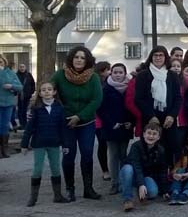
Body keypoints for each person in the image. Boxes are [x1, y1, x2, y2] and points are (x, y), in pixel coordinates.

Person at [50, 46, 103, 201]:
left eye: (83, 58)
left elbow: (97, 100)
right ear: (71, 59)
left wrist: (79, 116)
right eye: (76, 57)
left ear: (87, 61)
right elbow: (49, 91)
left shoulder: (93, 78)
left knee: (87, 155)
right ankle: (69, 189)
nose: (79, 60)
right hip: (67, 124)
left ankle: (88, 189)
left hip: (86, 123)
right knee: (68, 156)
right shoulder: (60, 75)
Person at [21, 82, 69, 206]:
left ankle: (57, 195)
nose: (46, 91)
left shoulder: (59, 108)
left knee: (56, 168)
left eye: (49, 89)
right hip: (39, 143)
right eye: (43, 90)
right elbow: (29, 128)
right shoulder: (36, 108)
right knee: (37, 169)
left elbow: (63, 128)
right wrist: (24, 145)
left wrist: (65, 145)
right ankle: (33, 198)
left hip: (54, 143)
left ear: (54, 92)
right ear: (40, 93)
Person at [135, 46, 183, 165]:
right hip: (150, 118)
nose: (158, 58)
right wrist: (151, 116)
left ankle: (167, 177)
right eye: (155, 55)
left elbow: (178, 98)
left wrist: (172, 116)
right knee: (150, 149)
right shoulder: (143, 75)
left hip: (168, 119)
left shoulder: (172, 76)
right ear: (151, 57)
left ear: (165, 58)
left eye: (161, 55)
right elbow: (139, 99)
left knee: (169, 149)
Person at [98, 63, 134, 195]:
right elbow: (101, 109)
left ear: (125, 73)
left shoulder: (130, 87)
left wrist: (131, 122)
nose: (118, 75)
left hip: (125, 127)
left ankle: (125, 181)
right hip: (110, 127)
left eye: (120, 72)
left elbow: (133, 106)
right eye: (115, 72)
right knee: (113, 155)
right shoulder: (105, 89)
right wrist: (110, 123)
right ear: (111, 74)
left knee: (123, 155)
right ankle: (114, 183)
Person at [119, 123, 169, 212]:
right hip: (132, 173)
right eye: (149, 133)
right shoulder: (136, 146)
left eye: (154, 134)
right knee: (128, 169)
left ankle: (138, 190)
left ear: (158, 137)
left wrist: (165, 191)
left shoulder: (160, 150)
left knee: (153, 192)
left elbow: (163, 170)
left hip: (146, 175)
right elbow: (136, 166)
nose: (151, 136)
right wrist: (141, 184)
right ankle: (127, 199)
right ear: (143, 134)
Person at [0, 53, 22, 158]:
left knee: (4, 126)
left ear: (4, 62)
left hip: (8, 103)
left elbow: (20, 87)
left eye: (0, 61)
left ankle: (4, 149)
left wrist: (11, 86)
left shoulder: (10, 73)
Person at [15, 63, 35, 130]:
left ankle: (25, 124)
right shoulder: (16, 75)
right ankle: (21, 124)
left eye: (23, 67)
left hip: (27, 95)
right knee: (20, 110)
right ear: (19, 68)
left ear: (25, 67)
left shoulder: (28, 75)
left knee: (25, 109)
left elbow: (33, 83)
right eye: (20, 67)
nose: (22, 68)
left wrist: (31, 92)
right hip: (19, 95)